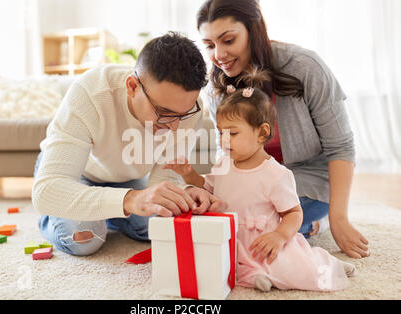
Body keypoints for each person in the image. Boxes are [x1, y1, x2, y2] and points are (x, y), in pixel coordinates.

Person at [195, 0, 369, 259]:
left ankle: (309, 223)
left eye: (228, 40)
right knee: (231, 211)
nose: (218, 55)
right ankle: (301, 229)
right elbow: (228, 152)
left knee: (270, 214)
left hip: (306, 179)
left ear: (253, 31)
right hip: (251, 177)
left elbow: (340, 146)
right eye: (209, 45)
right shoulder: (217, 86)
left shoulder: (305, 66)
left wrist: (339, 219)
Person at [32, 32, 227, 256]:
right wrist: (131, 199)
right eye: (163, 112)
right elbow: (48, 191)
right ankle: (55, 219)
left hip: (127, 180)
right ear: (132, 86)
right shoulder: (90, 92)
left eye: (182, 115)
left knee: (161, 226)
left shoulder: (190, 109)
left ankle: (112, 211)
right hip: (79, 175)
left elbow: (164, 178)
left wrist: (186, 192)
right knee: (85, 239)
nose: (174, 126)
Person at [164, 69, 355, 291]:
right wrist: (188, 173)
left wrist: (279, 236)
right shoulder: (223, 164)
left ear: (262, 133)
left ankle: (325, 263)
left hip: (263, 239)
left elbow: (293, 213)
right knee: (215, 265)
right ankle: (254, 275)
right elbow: (206, 191)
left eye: (233, 133)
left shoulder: (275, 174)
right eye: (220, 133)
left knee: (294, 269)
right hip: (231, 236)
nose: (225, 140)